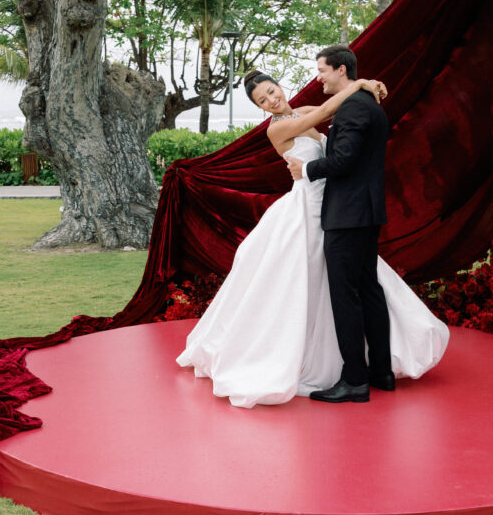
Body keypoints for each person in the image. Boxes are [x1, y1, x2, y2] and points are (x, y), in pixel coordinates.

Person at [176, 56, 449, 408]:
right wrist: (360, 84)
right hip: (307, 207)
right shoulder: (277, 129)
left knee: (354, 285)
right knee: (320, 282)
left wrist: (366, 85)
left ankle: (367, 369)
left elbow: (337, 114)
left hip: (335, 206)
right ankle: (337, 363)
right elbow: (324, 113)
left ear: (279, 86)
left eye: (271, 91)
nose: (271, 100)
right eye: (262, 100)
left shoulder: (301, 109)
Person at [285, 45, 395, 402]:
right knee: (368, 290)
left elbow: (344, 159)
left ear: (341, 70)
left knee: (346, 296)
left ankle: (355, 380)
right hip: (365, 212)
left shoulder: (353, 108)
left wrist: (307, 169)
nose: (318, 78)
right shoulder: (366, 103)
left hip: (347, 215)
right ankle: (381, 373)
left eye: (322, 70)